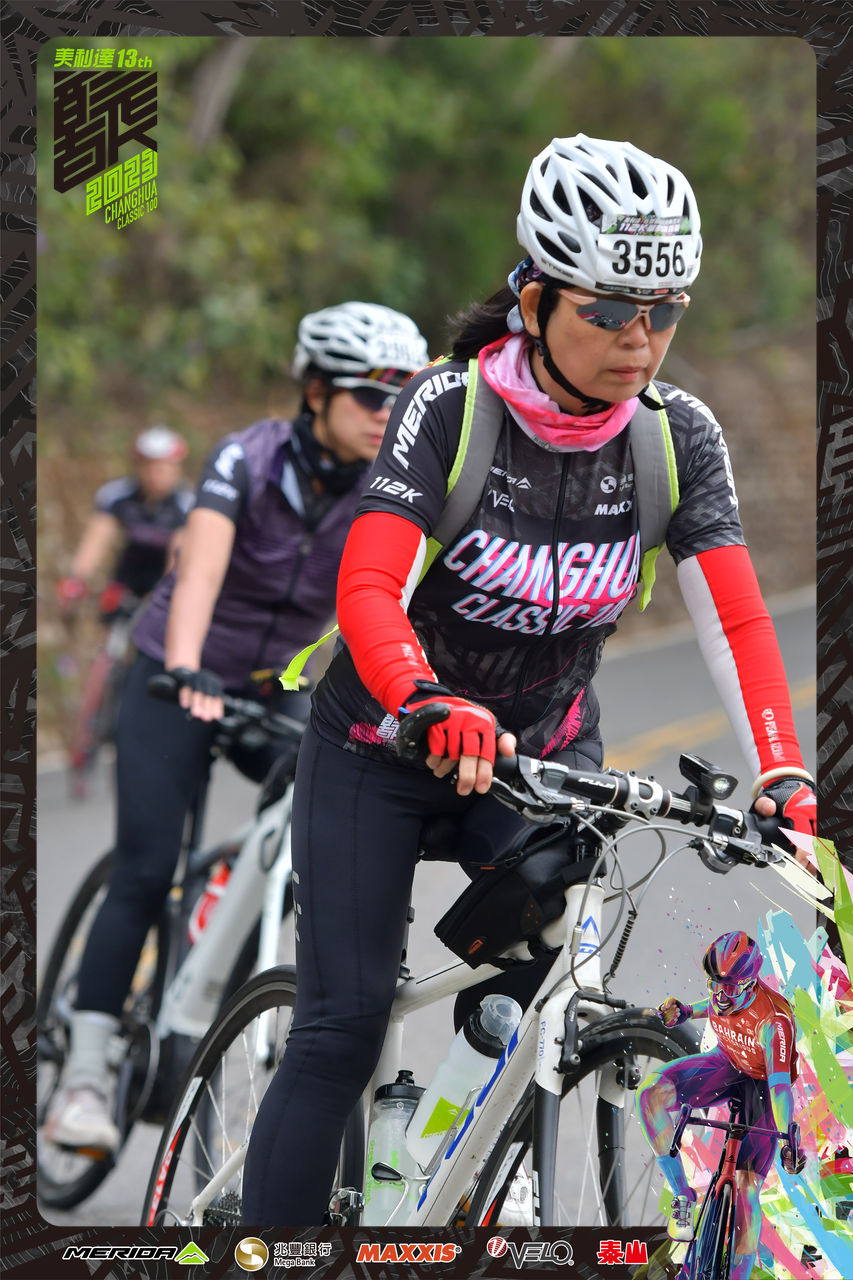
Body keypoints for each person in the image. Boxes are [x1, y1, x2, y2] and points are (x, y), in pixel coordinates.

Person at [239, 134, 817, 1227]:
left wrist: (782, 772)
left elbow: (738, 619)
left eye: (664, 311)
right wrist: (422, 698)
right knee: (341, 1026)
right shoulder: (447, 409)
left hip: (542, 762)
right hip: (382, 748)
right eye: (609, 311)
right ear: (535, 298)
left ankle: (433, 1169)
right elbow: (368, 586)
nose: (639, 340)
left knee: (545, 994)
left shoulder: (676, 438)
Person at [43, 302, 430, 1153]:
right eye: (370, 395)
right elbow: (199, 572)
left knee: (305, 839)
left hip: (277, 686)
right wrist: (186, 666)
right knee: (147, 866)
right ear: (315, 391)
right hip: (175, 670)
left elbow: (392, 599)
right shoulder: (245, 459)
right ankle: (84, 1074)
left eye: (401, 397)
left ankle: (231, 975)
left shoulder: (393, 482)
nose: (386, 413)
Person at [637, 930, 806, 1280]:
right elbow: (712, 1005)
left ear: (751, 983)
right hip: (726, 1064)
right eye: (715, 984)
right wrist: (686, 1011)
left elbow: (779, 1087)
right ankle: (683, 1196)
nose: (720, 995)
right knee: (651, 1094)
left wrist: (789, 1136)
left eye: (729, 987)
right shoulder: (725, 992)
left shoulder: (774, 1023)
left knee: (745, 1191)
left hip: (763, 1087)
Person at [56, 425, 194, 616]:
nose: (154, 474)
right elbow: (98, 537)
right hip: (126, 578)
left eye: (162, 467)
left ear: (176, 468)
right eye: (148, 466)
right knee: (110, 620)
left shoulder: (187, 504)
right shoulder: (117, 495)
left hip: (163, 577)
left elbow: (179, 553)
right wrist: (78, 578)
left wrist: (166, 592)